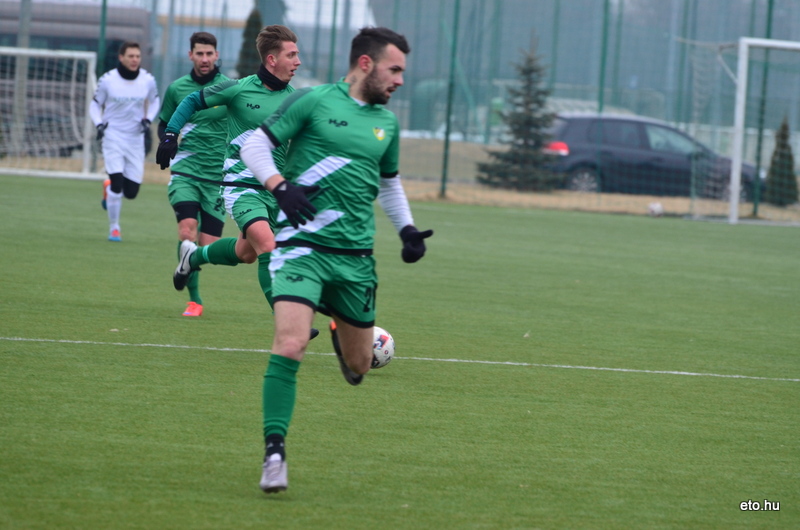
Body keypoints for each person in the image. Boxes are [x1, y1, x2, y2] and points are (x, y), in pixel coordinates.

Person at [240, 26, 433, 494]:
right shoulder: (313, 101)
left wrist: (407, 230)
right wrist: (279, 187)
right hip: (301, 249)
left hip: (355, 260)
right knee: (290, 344)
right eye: (394, 69)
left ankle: (341, 334)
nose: (400, 80)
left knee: (361, 364)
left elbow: (389, 184)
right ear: (366, 64)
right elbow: (253, 146)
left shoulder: (387, 124)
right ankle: (274, 455)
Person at [156, 25, 301, 316]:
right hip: (241, 186)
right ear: (272, 59)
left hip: (275, 191)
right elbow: (192, 100)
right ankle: (289, 320)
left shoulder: (297, 99)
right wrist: (171, 134)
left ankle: (193, 257)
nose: (298, 62)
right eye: (292, 55)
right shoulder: (239, 88)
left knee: (247, 254)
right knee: (268, 246)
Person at [157, 32, 229, 317]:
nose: (205, 58)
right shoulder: (177, 89)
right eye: (199, 53)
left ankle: (189, 262)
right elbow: (164, 124)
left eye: (209, 53)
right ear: (190, 55)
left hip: (218, 177)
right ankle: (194, 300)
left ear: (217, 55)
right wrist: (167, 142)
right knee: (187, 229)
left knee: (210, 246)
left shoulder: (229, 88)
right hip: (186, 171)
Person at [90, 41, 160, 242]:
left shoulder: (147, 80)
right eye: (130, 56)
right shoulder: (108, 80)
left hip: (135, 138)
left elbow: (155, 101)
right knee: (117, 183)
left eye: (137, 56)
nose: (134, 60)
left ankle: (108, 189)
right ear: (121, 58)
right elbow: (95, 105)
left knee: (131, 192)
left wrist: (148, 119)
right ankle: (114, 228)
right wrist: (99, 124)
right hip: (112, 135)